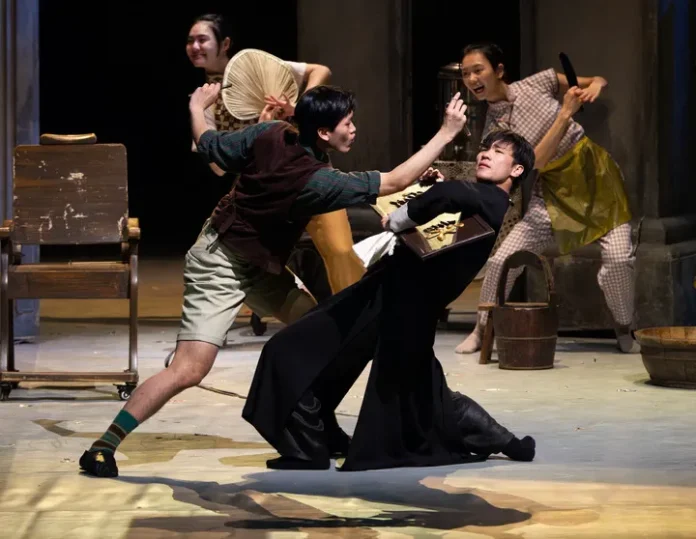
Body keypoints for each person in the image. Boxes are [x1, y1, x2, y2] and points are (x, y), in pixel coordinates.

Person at [78, 84, 472, 478]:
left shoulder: (272, 132)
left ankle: (318, 428)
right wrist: (446, 132)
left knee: (323, 337)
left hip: (262, 267)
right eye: (347, 123)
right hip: (221, 263)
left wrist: (198, 107)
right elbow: (392, 181)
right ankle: (104, 445)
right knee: (189, 369)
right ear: (323, 132)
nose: (353, 129)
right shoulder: (313, 179)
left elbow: (209, 143)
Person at [242, 129, 537, 471]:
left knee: (300, 353)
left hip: (399, 301)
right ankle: (318, 439)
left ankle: (311, 444)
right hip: (394, 297)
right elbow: (447, 205)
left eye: (498, 152)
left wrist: (402, 216)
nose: (485, 154)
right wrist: (427, 193)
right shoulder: (482, 201)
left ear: (516, 170)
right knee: (411, 389)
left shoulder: (492, 200)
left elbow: (450, 194)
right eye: (485, 148)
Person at [455, 43, 638, 355]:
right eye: (465, 74)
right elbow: (536, 162)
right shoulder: (496, 130)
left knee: (620, 259)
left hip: (595, 181)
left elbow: (596, 80)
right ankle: (482, 328)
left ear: (498, 71)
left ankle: (624, 327)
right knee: (501, 260)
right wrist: (565, 113)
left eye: (478, 70)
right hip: (552, 192)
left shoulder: (537, 83)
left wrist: (595, 84)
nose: (471, 79)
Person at [186, 13, 366, 300]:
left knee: (340, 251)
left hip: (309, 174)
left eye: (202, 39)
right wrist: (258, 136)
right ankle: (310, 314)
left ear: (225, 44)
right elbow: (218, 167)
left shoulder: (256, 66)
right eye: (190, 41)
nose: (195, 46)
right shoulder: (206, 99)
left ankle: (358, 316)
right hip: (265, 193)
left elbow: (320, 71)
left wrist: (300, 109)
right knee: (242, 257)